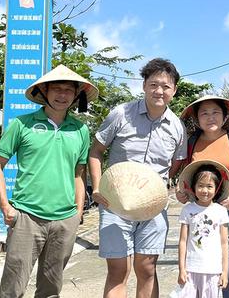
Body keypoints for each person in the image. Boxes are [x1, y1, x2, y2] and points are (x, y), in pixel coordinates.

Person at [0, 64, 98, 297]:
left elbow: (79, 174)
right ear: (44, 92)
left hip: (64, 220)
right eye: (56, 89)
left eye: (68, 90)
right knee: (12, 287)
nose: (62, 95)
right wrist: (5, 206)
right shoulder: (21, 124)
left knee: (51, 288)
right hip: (27, 216)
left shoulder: (80, 130)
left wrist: (78, 212)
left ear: (76, 95)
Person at [88, 58, 187, 298]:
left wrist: (155, 188)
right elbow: (96, 151)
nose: (159, 91)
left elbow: (176, 165)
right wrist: (98, 188)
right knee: (118, 270)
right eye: (154, 84)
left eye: (165, 86)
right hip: (115, 203)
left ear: (174, 90)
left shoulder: (177, 127)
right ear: (143, 85)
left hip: (154, 207)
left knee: (146, 268)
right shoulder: (121, 113)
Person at [178, 95, 229, 298]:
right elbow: (186, 177)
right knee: (202, 266)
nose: (210, 117)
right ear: (196, 119)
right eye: (204, 113)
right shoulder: (192, 143)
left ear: (225, 117)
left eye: (215, 112)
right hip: (200, 216)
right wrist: (183, 193)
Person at [177, 159, 229, 298]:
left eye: (209, 186)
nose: (204, 190)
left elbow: (224, 243)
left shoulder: (221, 211)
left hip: (213, 270)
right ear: (193, 187)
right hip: (191, 269)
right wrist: (181, 269)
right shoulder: (187, 210)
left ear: (217, 188)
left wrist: (224, 272)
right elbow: (183, 241)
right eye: (200, 186)